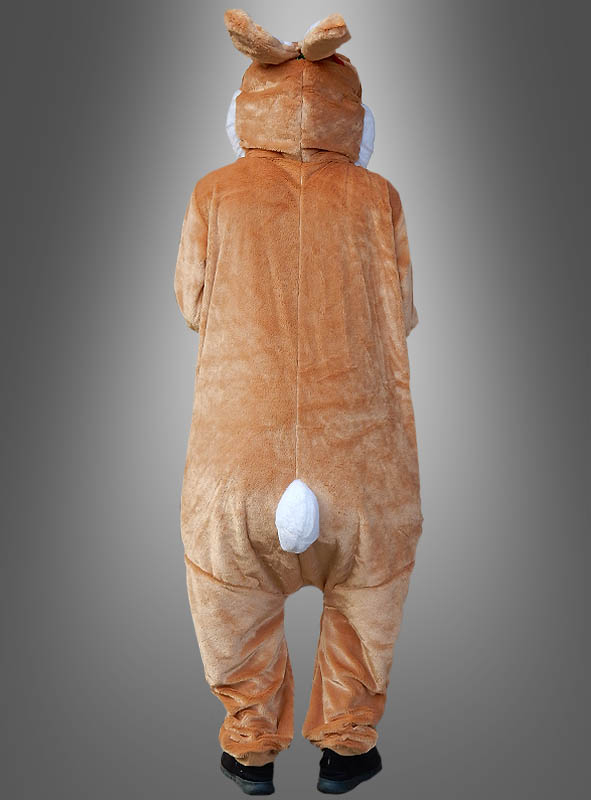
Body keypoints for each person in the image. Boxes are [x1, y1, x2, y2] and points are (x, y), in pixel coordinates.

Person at [174, 9, 424, 794]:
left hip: (235, 460)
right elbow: (402, 313)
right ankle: (346, 752)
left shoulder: (214, 193)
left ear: (245, 112)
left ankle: (249, 751)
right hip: (362, 460)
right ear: (354, 120)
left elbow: (190, 303)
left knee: (230, 601)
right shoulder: (378, 198)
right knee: (366, 599)